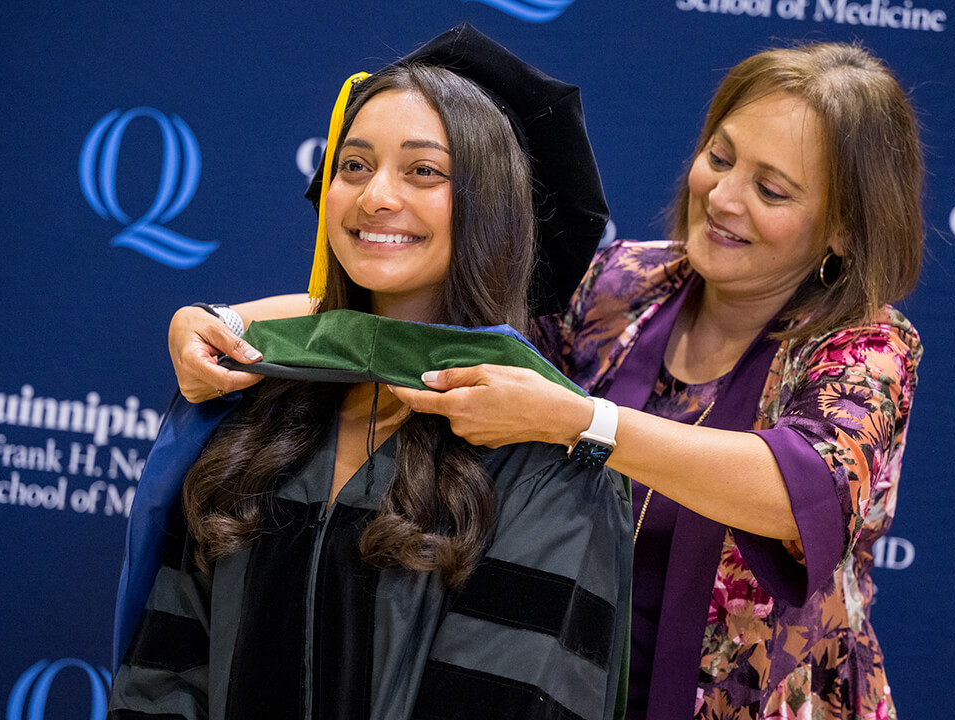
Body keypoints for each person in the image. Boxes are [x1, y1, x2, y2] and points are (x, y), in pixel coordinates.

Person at [173, 41, 923, 720]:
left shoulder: (868, 349)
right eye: (720, 159)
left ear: (843, 228)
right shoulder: (622, 283)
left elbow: (803, 492)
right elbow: (435, 329)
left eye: (773, 189)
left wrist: (582, 421)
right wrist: (228, 324)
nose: (723, 198)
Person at [111, 26, 631, 720]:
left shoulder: (543, 455)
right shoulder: (257, 408)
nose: (375, 196)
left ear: (490, 206)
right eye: (353, 166)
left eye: (423, 171)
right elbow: (165, 671)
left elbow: (516, 698)